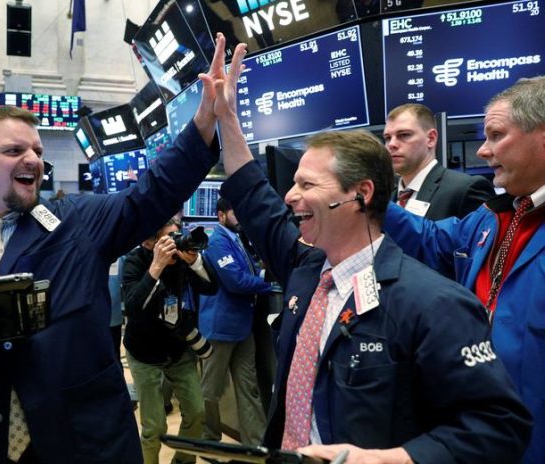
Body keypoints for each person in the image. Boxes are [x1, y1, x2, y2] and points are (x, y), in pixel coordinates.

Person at [0, 32, 234, 463]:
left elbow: (153, 194)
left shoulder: (78, 222)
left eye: (36, 149)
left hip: (75, 441)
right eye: (14, 150)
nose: (33, 159)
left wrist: (204, 122)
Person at [209, 45, 533, 462]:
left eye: (307, 185)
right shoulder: (305, 270)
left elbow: (497, 426)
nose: (289, 196)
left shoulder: (432, 303)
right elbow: (254, 198)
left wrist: (389, 459)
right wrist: (226, 119)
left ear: (361, 194)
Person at [383, 76, 545, 464]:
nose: (484, 150)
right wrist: (371, 196)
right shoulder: (495, 215)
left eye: (496, 135)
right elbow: (431, 239)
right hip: (478, 424)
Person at [122, 218, 216, 464]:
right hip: (143, 352)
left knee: (197, 413)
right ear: (149, 242)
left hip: (176, 347)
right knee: (154, 426)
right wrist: (156, 266)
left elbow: (211, 287)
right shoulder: (135, 261)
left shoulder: (181, 260)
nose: (175, 244)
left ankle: (183, 461)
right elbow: (133, 309)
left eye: (177, 236)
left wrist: (195, 262)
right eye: (168, 239)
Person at [199, 197, 270, 445]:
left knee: (249, 388)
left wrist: (263, 274)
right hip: (220, 328)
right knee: (210, 391)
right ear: (221, 215)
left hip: (242, 327)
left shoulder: (237, 239)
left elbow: (250, 271)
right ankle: (209, 441)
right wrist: (269, 285)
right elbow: (236, 281)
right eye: (235, 213)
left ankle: (256, 444)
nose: (241, 218)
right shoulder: (217, 241)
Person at [383, 103, 494, 219]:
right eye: (387, 138)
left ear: (431, 138)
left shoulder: (466, 189)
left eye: (404, 135)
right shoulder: (384, 196)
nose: (392, 144)